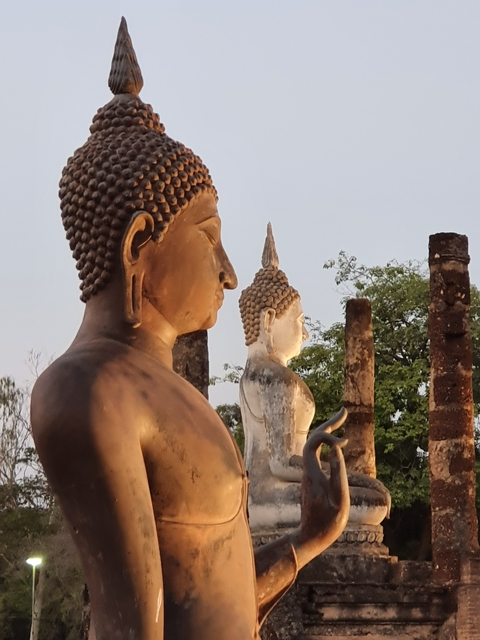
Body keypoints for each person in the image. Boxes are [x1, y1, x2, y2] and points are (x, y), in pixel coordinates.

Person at [31, 19, 350, 640]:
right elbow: (136, 626)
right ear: (137, 245)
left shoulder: (172, 397)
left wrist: (310, 538)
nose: (229, 273)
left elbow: (212, 600)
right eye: (209, 238)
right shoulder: (91, 390)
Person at [239, 225, 390, 532]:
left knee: (367, 496)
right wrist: (350, 476)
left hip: (254, 498)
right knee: (373, 503)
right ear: (268, 319)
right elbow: (282, 463)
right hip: (274, 498)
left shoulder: (250, 376)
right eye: (299, 320)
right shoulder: (278, 379)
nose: (305, 333)